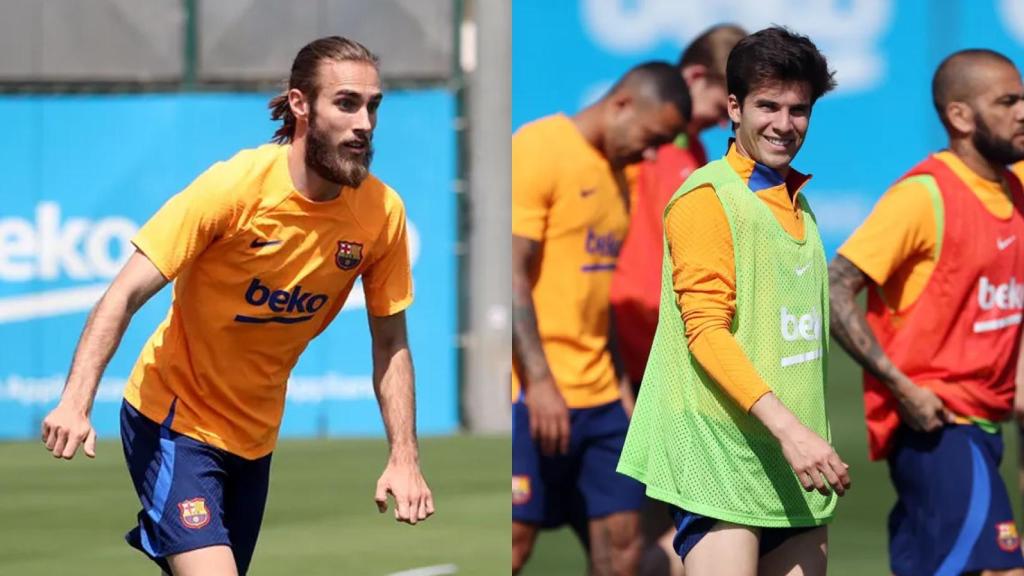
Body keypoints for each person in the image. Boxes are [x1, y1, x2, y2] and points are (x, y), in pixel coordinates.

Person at [40, 36, 433, 576]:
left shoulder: (381, 214)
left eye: (373, 106)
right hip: (171, 419)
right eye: (346, 103)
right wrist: (75, 402)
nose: (364, 123)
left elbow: (391, 342)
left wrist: (404, 457)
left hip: (254, 440)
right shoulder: (235, 189)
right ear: (300, 104)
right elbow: (121, 295)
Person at [618, 27, 848, 576]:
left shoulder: (798, 203)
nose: (784, 124)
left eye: (799, 110)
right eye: (768, 106)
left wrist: (801, 435)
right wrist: (792, 432)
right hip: (721, 452)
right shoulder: (706, 197)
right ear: (734, 107)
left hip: (793, 460)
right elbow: (706, 332)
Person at [829, 49, 1024, 576]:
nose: (1023, 112)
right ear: (960, 116)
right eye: (1007, 102)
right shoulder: (925, 196)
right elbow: (835, 286)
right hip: (939, 425)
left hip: (984, 424)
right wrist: (902, 386)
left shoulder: (1015, 189)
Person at [511, 61, 690, 575]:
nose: (652, 154)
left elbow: (596, 292)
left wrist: (622, 385)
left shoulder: (621, 174)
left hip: (603, 398)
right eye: (652, 138)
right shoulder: (539, 147)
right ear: (622, 105)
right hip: (532, 393)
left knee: (623, 549)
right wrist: (539, 381)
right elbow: (511, 271)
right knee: (515, 544)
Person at [607, 23, 747, 576]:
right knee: (631, 532)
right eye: (723, 99)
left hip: (670, 360)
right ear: (695, 77)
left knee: (663, 528)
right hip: (629, 359)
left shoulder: (696, 149)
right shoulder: (646, 144)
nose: (728, 115)